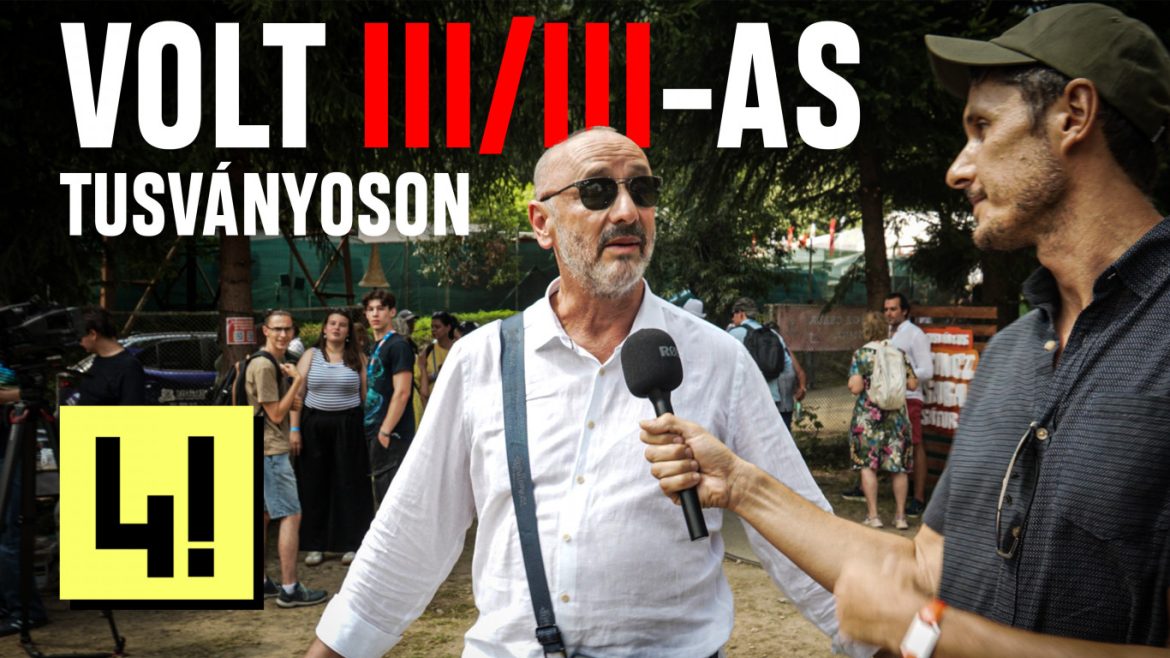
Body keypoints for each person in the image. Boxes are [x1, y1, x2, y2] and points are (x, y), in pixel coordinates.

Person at [641, 4, 1170, 655]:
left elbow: (922, 615)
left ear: (1074, 115)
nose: (958, 169)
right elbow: (923, 568)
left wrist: (931, 635)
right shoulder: (1012, 355)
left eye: (982, 127)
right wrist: (741, 485)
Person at [306, 127, 868, 658]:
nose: (627, 211)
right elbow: (411, 532)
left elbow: (798, 534)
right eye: (597, 191)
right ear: (542, 223)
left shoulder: (719, 360)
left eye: (642, 191)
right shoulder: (483, 360)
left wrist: (885, 641)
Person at [246, 310, 328, 608]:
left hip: (261, 446)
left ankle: (259, 581)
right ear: (265, 331)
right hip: (270, 451)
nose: (283, 335)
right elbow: (276, 413)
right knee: (291, 515)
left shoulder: (270, 362)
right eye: (277, 329)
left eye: (287, 330)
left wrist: (290, 393)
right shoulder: (264, 365)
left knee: (264, 515)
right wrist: (297, 381)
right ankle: (290, 589)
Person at [291, 309, 371, 569]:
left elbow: (365, 396)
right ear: (324, 329)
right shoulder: (310, 356)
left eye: (342, 325)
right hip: (314, 426)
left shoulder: (358, 358)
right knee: (314, 484)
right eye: (332, 323)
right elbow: (297, 395)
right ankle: (315, 545)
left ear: (349, 332)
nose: (337, 328)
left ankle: (352, 543)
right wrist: (295, 429)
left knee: (349, 483)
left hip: (348, 426)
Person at [847, 312, 918, 530]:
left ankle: (874, 516)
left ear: (866, 330)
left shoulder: (861, 354)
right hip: (896, 417)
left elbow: (856, 387)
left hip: (869, 417)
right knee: (898, 467)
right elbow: (913, 384)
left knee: (868, 466)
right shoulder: (898, 352)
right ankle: (900, 517)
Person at [0, 366, 48, 637]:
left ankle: (25, 611)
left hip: (10, 450)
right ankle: (8, 606)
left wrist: (10, 395)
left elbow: (30, 393)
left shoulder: (9, 366)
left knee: (9, 536)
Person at [360, 290, 414, 505]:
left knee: (393, 502)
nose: (375, 314)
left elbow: (402, 392)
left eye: (381, 309)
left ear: (392, 312)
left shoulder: (398, 345)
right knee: (382, 497)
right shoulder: (377, 346)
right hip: (376, 432)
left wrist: (385, 431)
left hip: (393, 435)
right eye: (370, 309)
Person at [883, 293, 933, 517]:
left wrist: (902, 377)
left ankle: (919, 498)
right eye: (886, 309)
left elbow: (927, 370)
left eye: (893, 309)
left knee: (915, 444)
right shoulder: (886, 333)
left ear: (904, 311)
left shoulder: (915, 335)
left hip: (910, 397)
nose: (889, 313)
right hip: (888, 397)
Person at [727, 297, 807, 429]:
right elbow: (789, 364)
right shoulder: (773, 333)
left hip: (753, 400)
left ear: (741, 313)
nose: (732, 318)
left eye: (733, 314)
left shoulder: (734, 333)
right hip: (778, 399)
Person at [76, 307, 145, 406]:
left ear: (93, 334)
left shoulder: (129, 367)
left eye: (80, 338)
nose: (80, 343)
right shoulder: (99, 360)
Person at [414, 310, 457, 417]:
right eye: (432, 327)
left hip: (455, 404)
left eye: (437, 327)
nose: (433, 330)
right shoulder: (428, 351)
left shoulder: (457, 349)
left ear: (448, 328)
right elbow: (419, 382)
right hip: (435, 408)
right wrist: (435, 376)